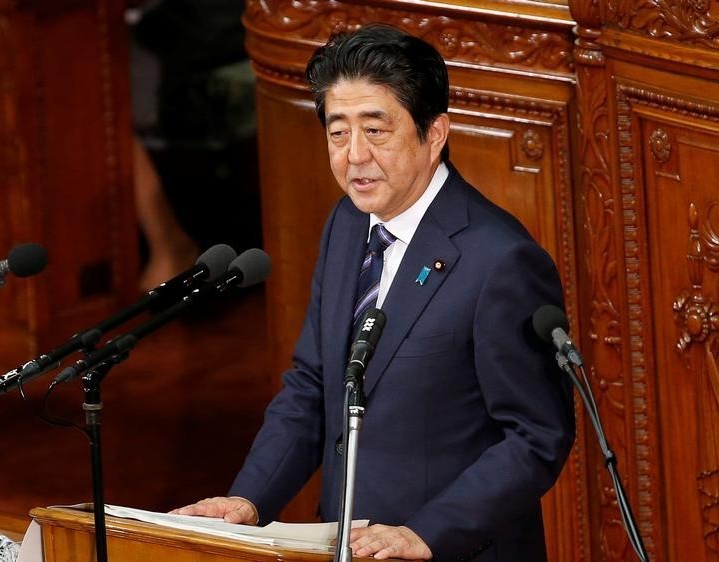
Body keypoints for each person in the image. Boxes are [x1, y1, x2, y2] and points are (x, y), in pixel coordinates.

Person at [171, 24, 575, 561]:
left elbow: (536, 435)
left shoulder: (499, 260)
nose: (354, 156)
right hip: (346, 546)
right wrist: (250, 498)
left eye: (376, 131)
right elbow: (313, 385)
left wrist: (425, 532)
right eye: (338, 133)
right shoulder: (346, 224)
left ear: (435, 133)